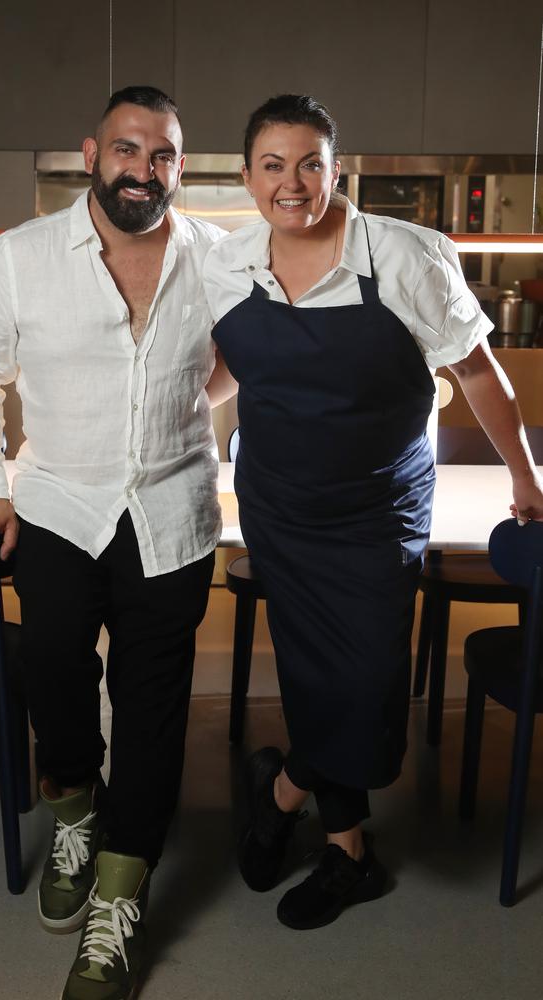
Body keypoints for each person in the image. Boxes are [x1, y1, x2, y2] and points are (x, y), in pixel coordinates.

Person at [203, 93, 543, 932]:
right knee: (318, 673)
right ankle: (348, 850)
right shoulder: (226, 263)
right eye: (274, 165)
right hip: (279, 505)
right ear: (247, 178)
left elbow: (477, 376)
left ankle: (282, 790)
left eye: (311, 162)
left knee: (367, 679)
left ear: (336, 170)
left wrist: (527, 481)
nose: (293, 182)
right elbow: (228, 375)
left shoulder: (405, 255)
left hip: (375, 511)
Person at [0, 85, 229, 1000]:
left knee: (153, 710)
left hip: (174, 515)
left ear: (180, 167)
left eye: (163, 156)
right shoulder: (21, 256)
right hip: (60, 508)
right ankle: (73, 808)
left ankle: (117, 900)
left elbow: (235, 363)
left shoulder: (219, 258)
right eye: (127, 150)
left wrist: (182, 410)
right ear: (91, 153)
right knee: (54, 673)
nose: (143, 170)